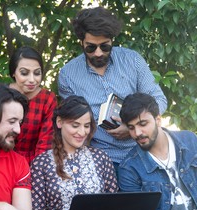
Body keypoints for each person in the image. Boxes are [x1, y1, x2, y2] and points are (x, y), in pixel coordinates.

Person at [58, 6, 167, 169]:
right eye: (90, 47)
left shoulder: (133, 61)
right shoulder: (68, 75)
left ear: (112, 41)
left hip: (143, 153)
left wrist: (131, 127)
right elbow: (72, 121)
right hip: (99, 160)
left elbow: (158, 100)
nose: (98, 53)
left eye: (105, 46)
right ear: (81, 42)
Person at [30, 95, 132, 210]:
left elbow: (114, 204)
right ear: (59, 122)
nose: (82, 132)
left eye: (86, 126)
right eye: (75, 125)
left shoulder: (101, 158)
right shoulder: (41, 163)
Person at [9, 46, 57, 164]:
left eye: (37, 73)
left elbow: (45, 144)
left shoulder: (47, 99)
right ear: (13, 73)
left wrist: (38, 171)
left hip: (32, 162)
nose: (32, 80)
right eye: (24, 73)